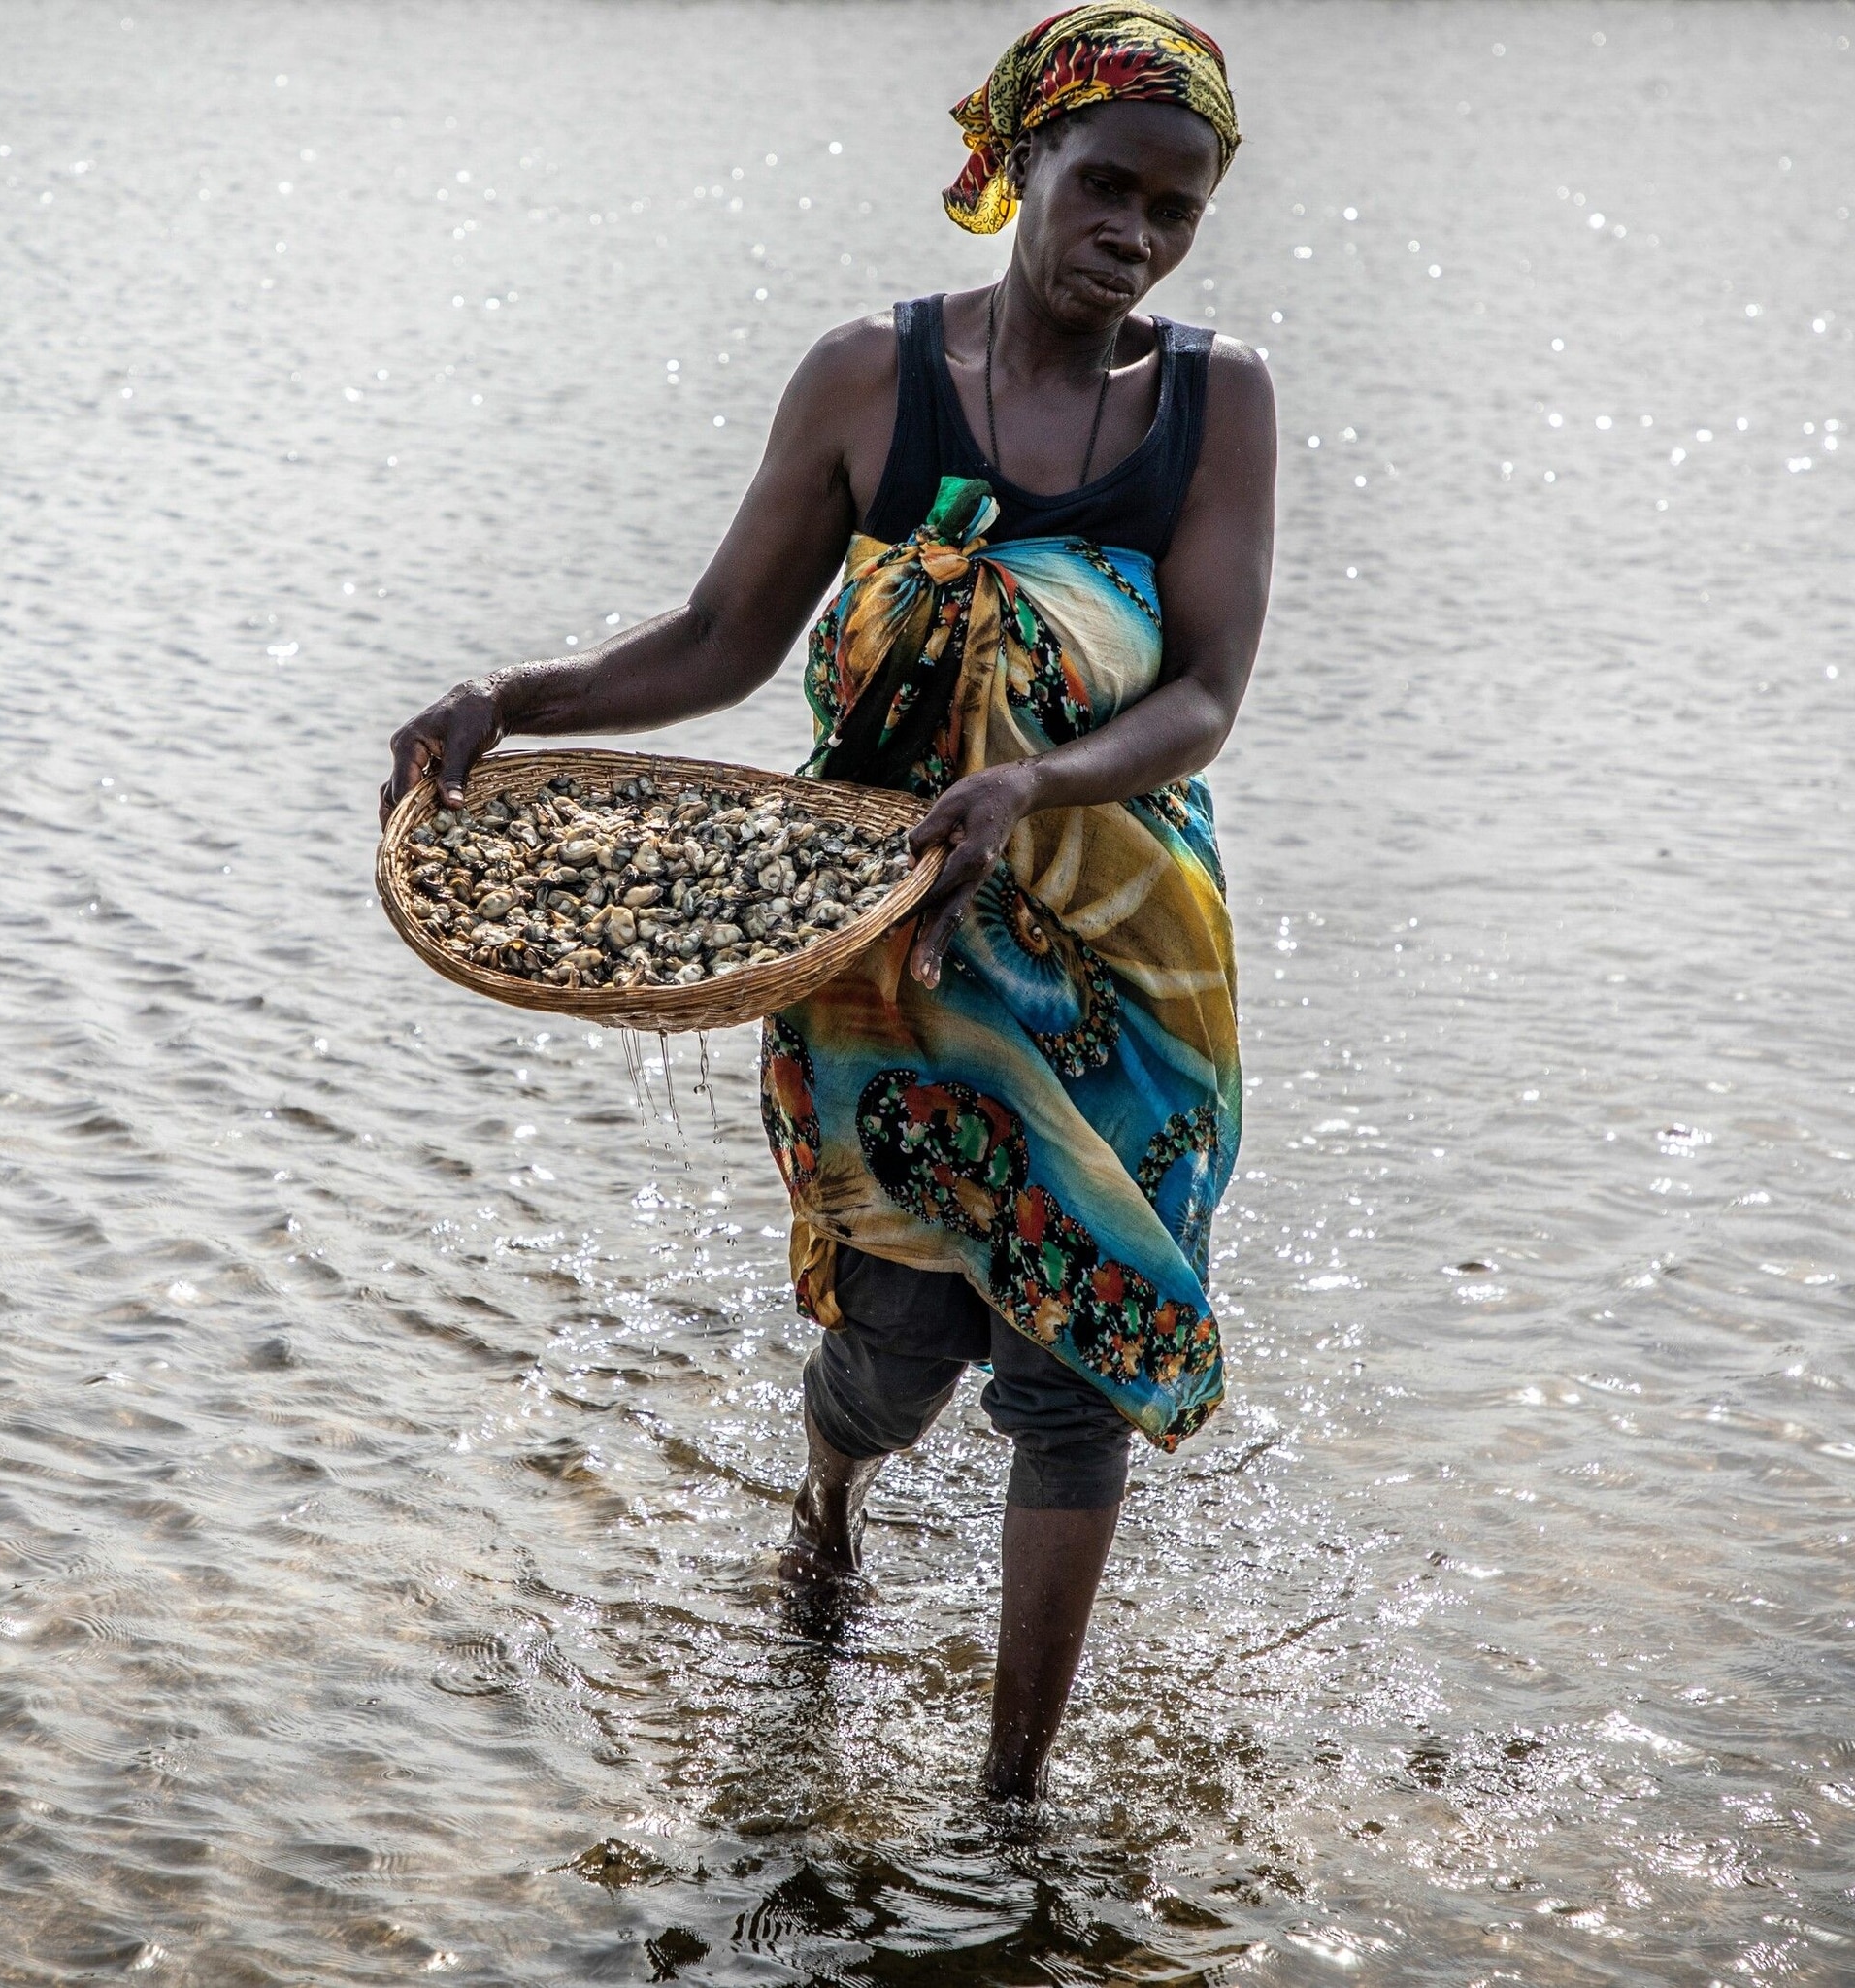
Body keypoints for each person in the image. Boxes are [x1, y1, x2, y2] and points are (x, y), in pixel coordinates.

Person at [381, 2, 1273, 1802]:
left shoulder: (1213, 401)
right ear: (1021, 162)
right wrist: (515, 700)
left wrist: (1037, 779)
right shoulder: (872, 380)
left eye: (1174, 212)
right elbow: (724, 637)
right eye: (1106, 187)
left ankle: (1011, 1799)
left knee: (1074, 1366)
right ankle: (830, 1502)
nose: (1137, 235)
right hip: (878, 953)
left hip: (1117, 959)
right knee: (902, 1348)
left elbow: (1204, 698)